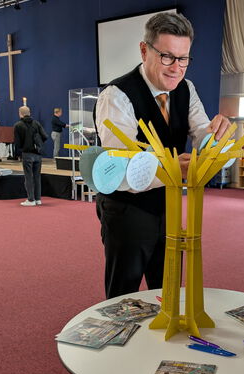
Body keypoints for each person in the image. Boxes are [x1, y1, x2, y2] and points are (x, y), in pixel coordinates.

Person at [94, 12, 231, 299]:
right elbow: (121, 171)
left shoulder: (186, 88)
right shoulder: (116, 95)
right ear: (144, 51)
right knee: (123, 297)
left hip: (169, 204)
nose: (176, 68)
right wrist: (174, 169)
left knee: (168, 291)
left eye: (183, 59)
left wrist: (218, 140)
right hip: (126, 209)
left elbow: (202, 132)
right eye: (167, 57)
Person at [14, 106, 48, 206]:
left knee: (28, 177)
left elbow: (17, 142)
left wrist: (19, 152)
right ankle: (38, 199)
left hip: (27, 154)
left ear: (20, 113)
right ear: (29, 113)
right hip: (37, 154)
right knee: (37, 177)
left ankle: (31, 200)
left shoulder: (18, 125)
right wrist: (39, 145)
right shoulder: (36, 123)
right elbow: (45, 136)